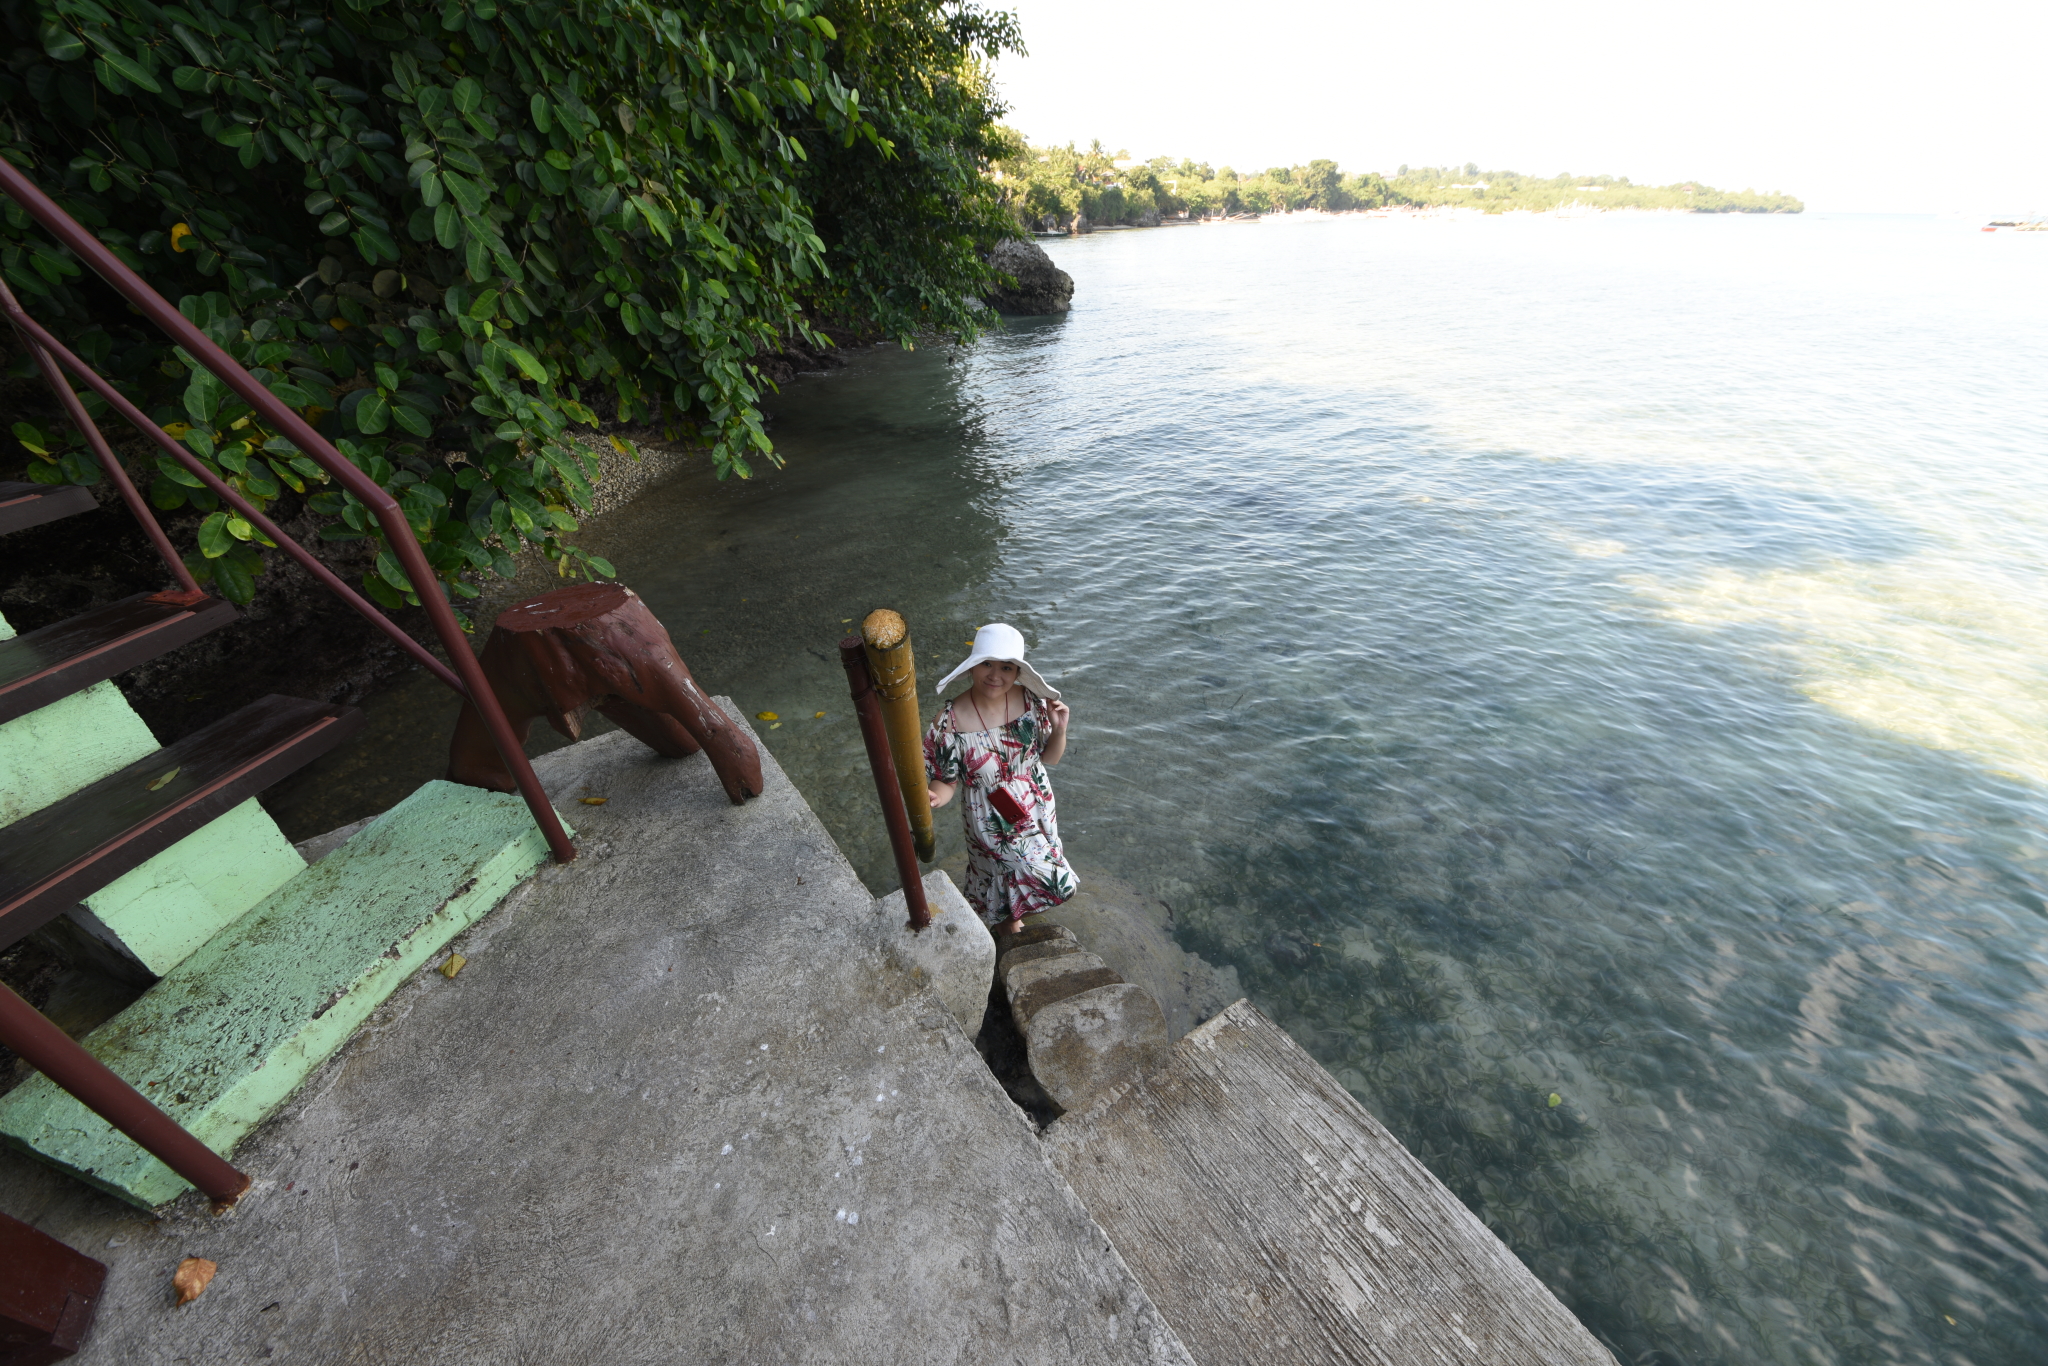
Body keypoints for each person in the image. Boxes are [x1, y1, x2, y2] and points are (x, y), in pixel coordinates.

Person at [924, 623, 1076, 936]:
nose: (995, 675)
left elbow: (1049, 758)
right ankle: (1009, 930)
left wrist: (1060, 729)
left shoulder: (1032, 701)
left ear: (1018, 672)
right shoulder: (948, 721)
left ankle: (1010, 927)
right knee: (1046, 878)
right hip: (987, 815)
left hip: (1036, 804)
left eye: (1006, 667)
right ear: (972, 666)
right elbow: (946, 780)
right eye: (987, 664)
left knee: (1013, 879)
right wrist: (934, 796)